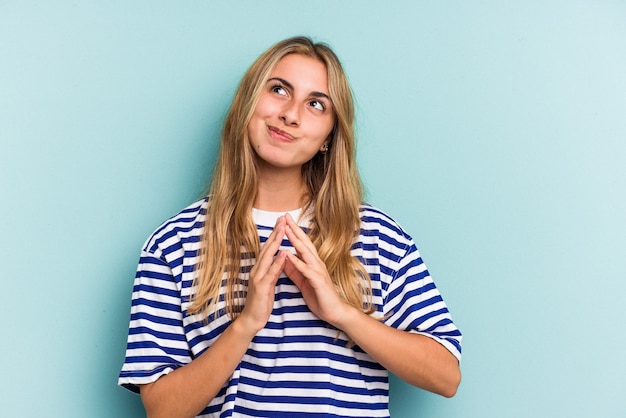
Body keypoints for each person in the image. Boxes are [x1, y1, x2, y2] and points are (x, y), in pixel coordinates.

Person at [118, 36, 462, 418]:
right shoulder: (173, 243)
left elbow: (446, 376)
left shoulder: (379, 237)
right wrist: (246, 323)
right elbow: (162, 411)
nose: (291, 114)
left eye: (316, 104)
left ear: (329, 139)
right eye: (279, 90)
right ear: (249, 103)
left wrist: (340, 311)